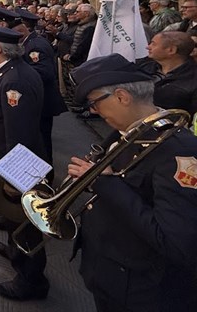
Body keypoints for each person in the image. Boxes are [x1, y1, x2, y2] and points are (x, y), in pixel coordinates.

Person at [69, 54, 197, 311]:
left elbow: (174, 242)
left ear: (121, 97)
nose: (93, 111)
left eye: (95, 103)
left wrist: (104, 184)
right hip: (110, 272)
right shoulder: (128, 132)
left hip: (142, 290)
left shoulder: (179, 151)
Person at [0, 24, 49, 301]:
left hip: (17, 163)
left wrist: (15, 181)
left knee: (25, 222)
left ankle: (31, 280)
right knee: (13, 218)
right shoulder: (6, 71)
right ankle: (15, 251)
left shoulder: (14, 80)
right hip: (3, 157)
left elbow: (20, 136)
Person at [14, 8, 67, 160]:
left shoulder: (35, 45)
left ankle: (46, 177)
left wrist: (17, 72)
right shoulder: (29, 42)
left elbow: (44, 72)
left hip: (42, 101)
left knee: (42, 142)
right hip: (37, 100)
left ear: (23, 27)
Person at [141, 31, 197, 119]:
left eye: (153, 44)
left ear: (171, 50)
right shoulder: (144, 67)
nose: (148, 47)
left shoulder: (193, 80)